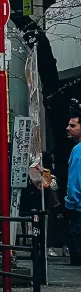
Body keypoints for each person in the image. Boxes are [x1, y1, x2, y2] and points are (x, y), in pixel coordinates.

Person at [64, 111, 81, 268]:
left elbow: (74, 183)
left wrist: (70, 205)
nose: (68, 128)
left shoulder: (78, 151)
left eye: (73, 125)